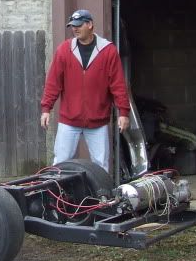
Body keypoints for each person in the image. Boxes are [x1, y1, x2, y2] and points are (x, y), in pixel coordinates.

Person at [40, 9, 131, 172]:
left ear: (90, 25)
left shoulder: (108, 51)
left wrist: (123, 112)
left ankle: (101, 196)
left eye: (79, 25)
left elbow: (118, 85)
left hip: (98, 121)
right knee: (60, 164)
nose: (75, 29)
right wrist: (46, 108)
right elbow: (53, 82)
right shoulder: (64, 50)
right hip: (69, 120)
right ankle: (57, 196)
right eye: (72, 26)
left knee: (101, 166)